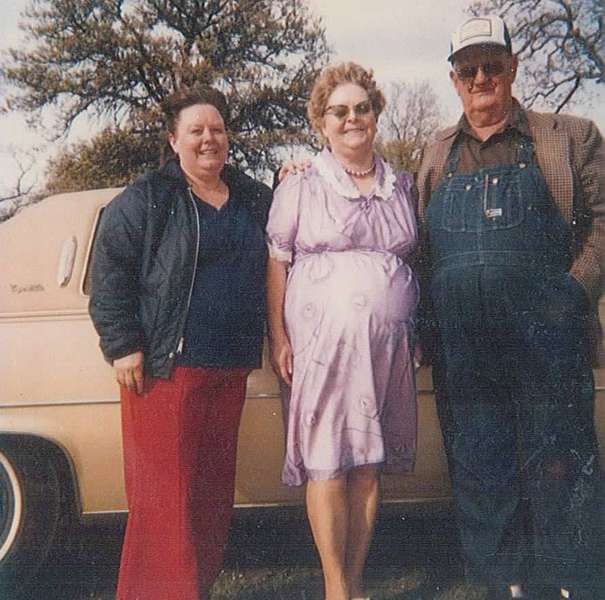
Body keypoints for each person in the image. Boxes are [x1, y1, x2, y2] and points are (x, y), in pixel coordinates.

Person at [416, 15, 604, 600]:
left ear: (514, 68)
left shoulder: (568, 136)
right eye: (468, 69)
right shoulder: (435, 153)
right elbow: (419, 244)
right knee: (480, 469)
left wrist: (573, 292)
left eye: (492, 65)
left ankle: (574, 584)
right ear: (454, 79)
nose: (481, 78)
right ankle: (504, 586)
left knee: (560, 464)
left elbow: (603, 223)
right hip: (465, 349)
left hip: (549, 336)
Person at [88, 86, 272, 600]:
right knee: (164, 502)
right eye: (196, 130)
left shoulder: (252, 197)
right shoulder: (148, 197)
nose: (209, 139)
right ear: (174, 140)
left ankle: (195, 590)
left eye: (217, 129)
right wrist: (122, 343)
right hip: (166, 370)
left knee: (211, 499)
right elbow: (110, 272)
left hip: (229, 367)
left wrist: (294, 172)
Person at [266, 62, 419, 600]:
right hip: (323, 349)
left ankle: (354, 582)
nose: (352, 118)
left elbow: (411, 261)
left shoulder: (401, 185)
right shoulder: (301, 183)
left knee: (367, 466)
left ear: (375, 115)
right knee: (328, 461)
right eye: (339, 111)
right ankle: (335, 588)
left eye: (362, 108)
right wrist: (279, 338)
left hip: (385, 348)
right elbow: (277, 262)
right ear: (321, 122)